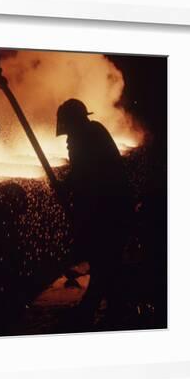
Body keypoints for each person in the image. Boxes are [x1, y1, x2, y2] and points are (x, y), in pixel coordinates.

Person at [56, 99, 133, 329]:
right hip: (116, 207)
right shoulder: (94, 131)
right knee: (108, 265)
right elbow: (85, 170)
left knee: (104, 265)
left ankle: (93, 312)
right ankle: (112, 311)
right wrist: (67, 185)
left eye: (68, 127)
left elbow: (87, 174)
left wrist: (67, 189)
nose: (67, 136)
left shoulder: (83, 138)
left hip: (107, 211)